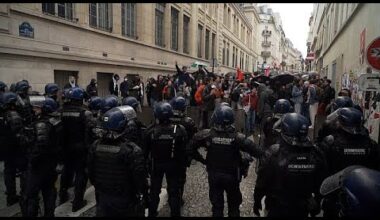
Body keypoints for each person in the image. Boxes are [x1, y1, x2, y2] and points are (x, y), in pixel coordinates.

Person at [188, 105, 261, 217]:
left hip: (214, 175)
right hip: (232, 176)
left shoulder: (207, 135)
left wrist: (202, 160)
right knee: (234, 206)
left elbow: (190, 148)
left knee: (217, 207)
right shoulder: (238, 137)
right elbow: (258, 152)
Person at [255, 113, 327, 217]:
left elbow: (262, 181)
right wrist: (316, 201)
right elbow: (322, 181)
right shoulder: (316, 153)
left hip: (278, 206)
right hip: (302, 207)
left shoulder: (274, 152)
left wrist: (257, 200)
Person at [87, 107, 148, 217]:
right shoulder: (132, 150)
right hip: (125, 199)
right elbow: (139, 178)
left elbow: (91, 172)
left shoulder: (95, 146)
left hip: (103, 197)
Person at [143, 102, 188, 217]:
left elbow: (144, 151)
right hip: (173, 164)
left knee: (154, 190)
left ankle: (152, 213)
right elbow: (184, 150)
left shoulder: (150, 131)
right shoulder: (179, 130)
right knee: (174, 191)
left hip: (156, 164)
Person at [23, 97, 63, 217]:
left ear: (44, 109)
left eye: (37, 107)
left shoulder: (42, 124)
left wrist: (32, 160)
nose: (34, 109)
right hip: (50, 164)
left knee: (31, 196)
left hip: (39, 166)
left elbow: (41, 145)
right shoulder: (54, 121)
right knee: (49, 192)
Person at [59, 87, 94, 211]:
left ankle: (62, 195)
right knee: (81, 173)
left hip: (65, 147)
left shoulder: (61, 111)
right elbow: (91, 132)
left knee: (67, 170)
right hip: (80, 148)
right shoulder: (85, 113)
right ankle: (77, 201)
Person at [318, 107, 379, 176]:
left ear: (340, 123)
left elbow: (321, 168)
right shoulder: (371, 145)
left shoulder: (330, 143)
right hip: (363, 182)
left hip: (337, 183)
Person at [0, 92, 28, 207]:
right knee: (23, 170)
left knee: (9, 172)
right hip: (16, 149)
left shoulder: (2, 114)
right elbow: (18, 135)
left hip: (5, 149)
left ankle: (11, 196)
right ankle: (24, 193)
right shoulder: (13, 115)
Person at [169, 96, 198, 205]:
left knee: (170, 176)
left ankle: (171, 194)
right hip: (182, 153)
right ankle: (178, 198)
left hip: (168, 152)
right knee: (181, 177)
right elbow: (194, 136)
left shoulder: (167, 118)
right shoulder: (188, 121)